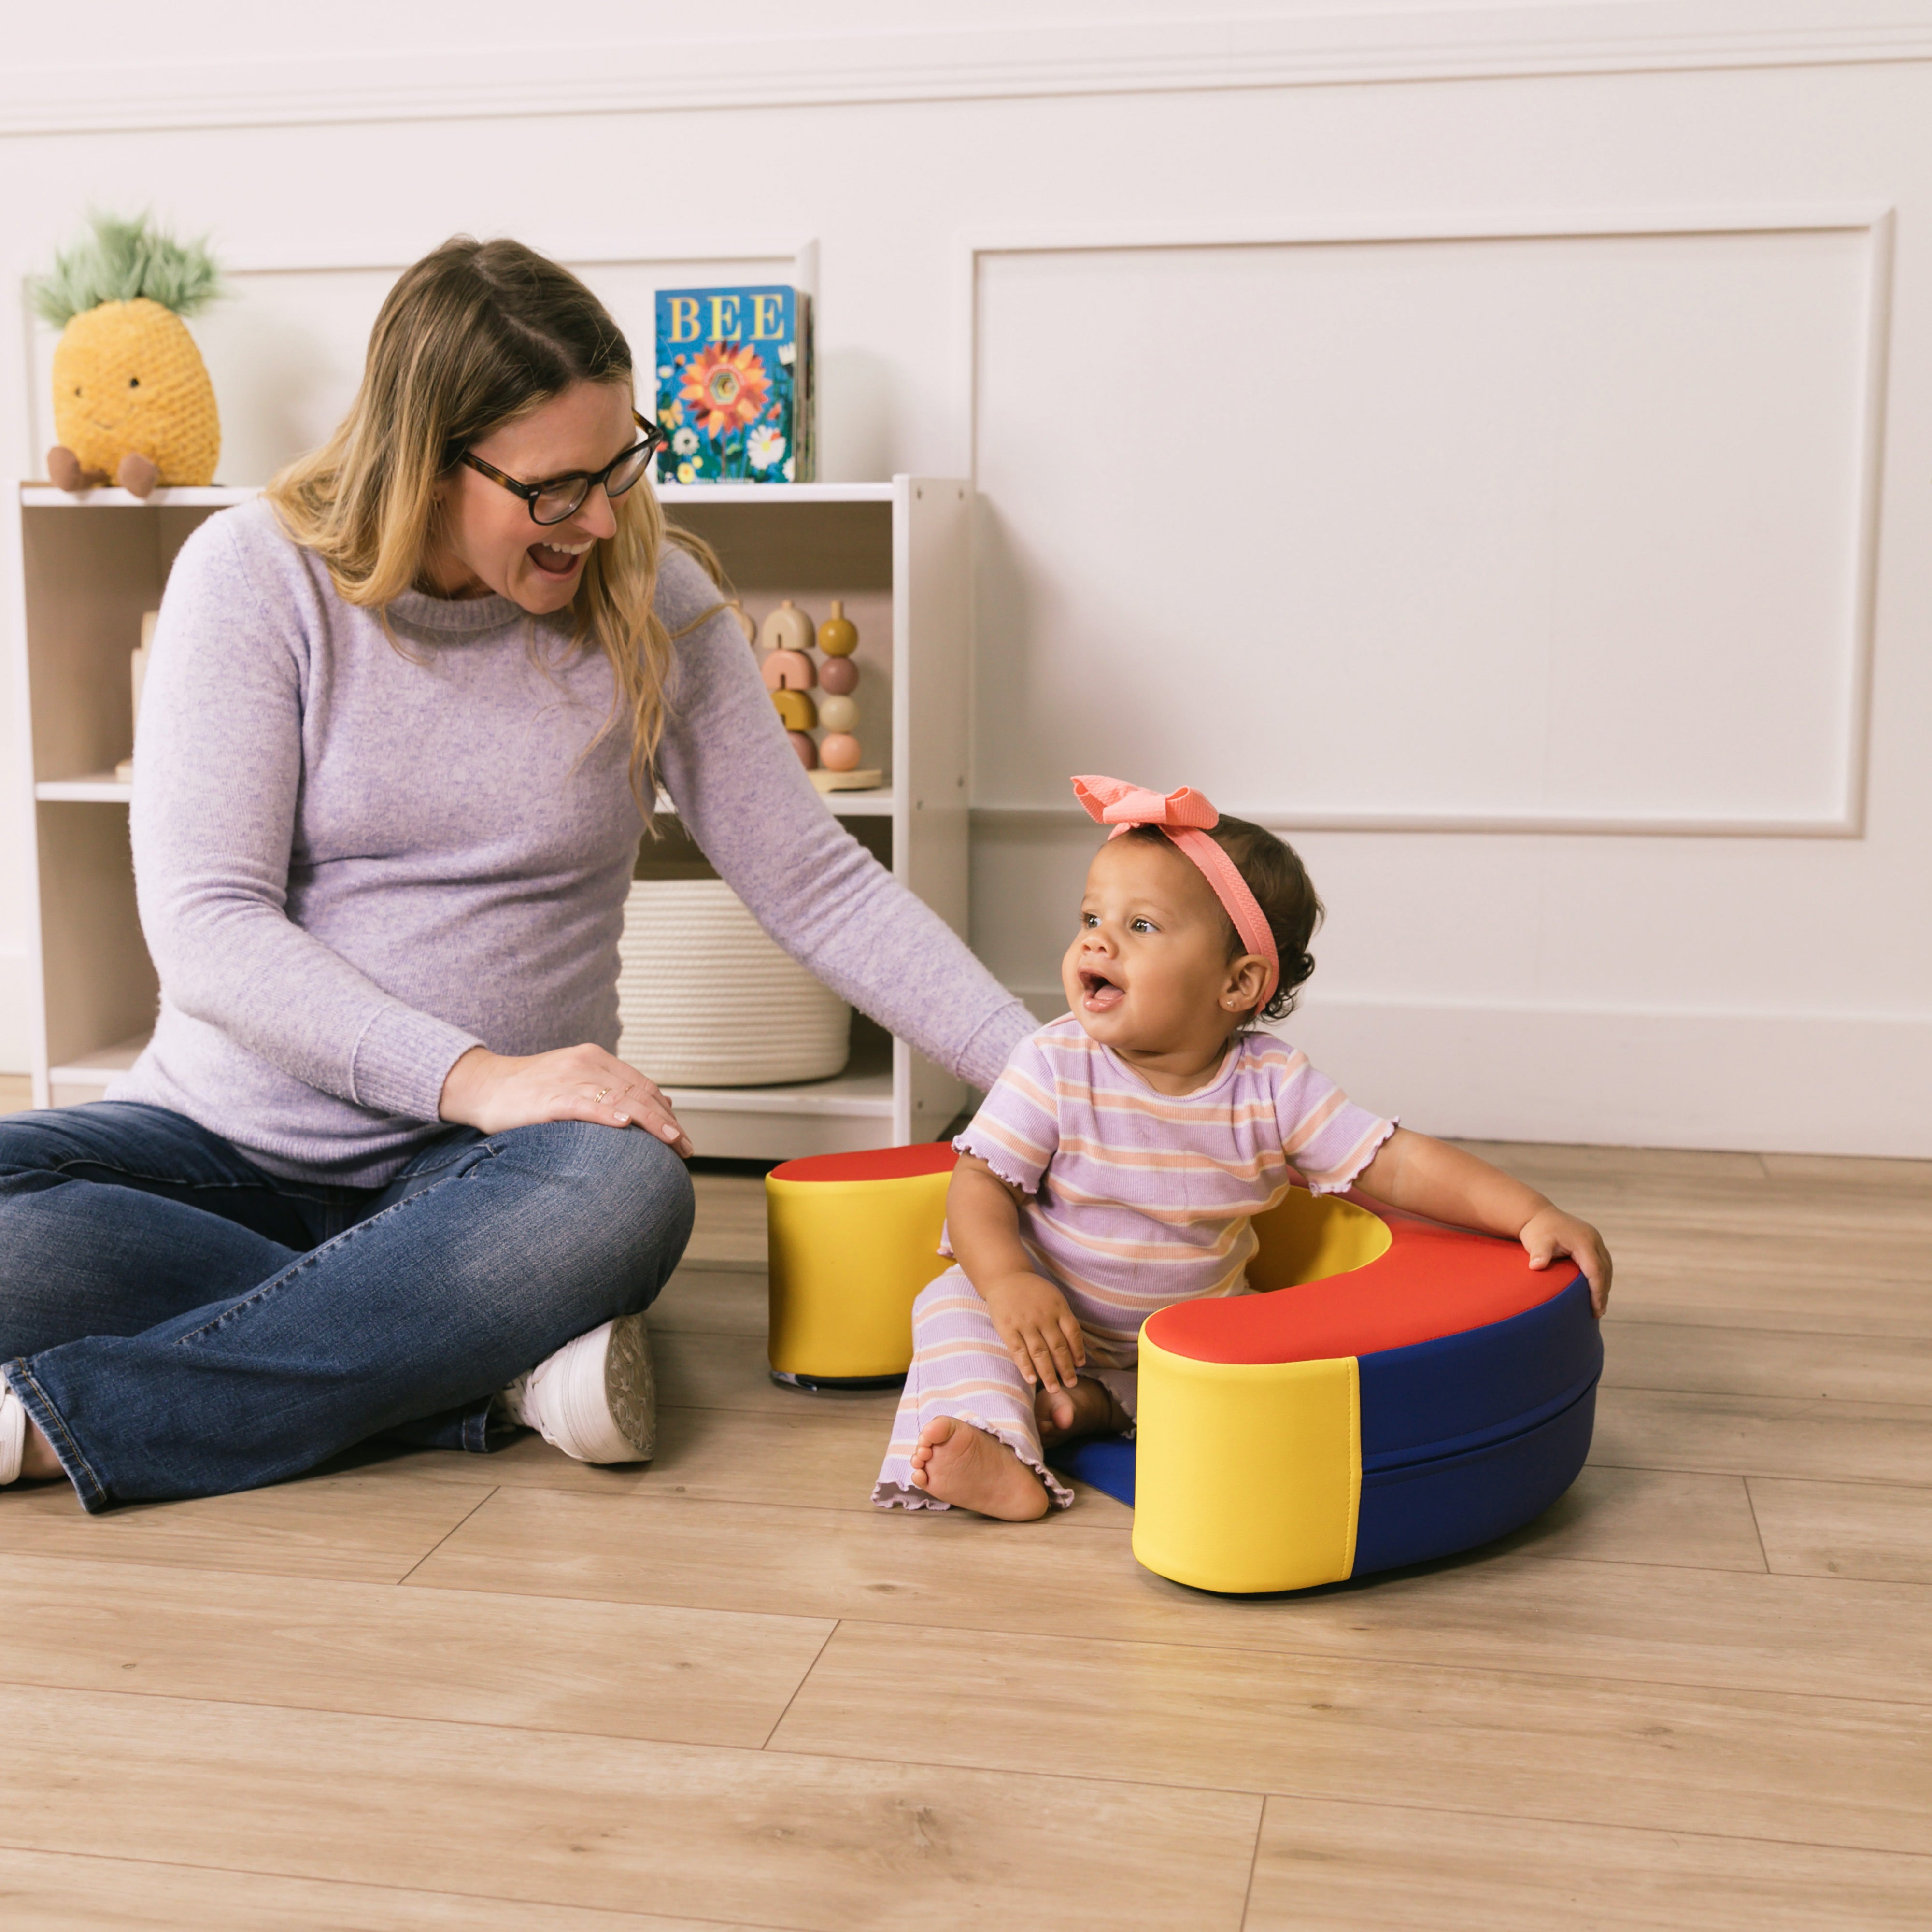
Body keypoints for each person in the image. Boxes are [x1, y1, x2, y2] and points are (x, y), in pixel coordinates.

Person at [0, 237, 1034, 1511]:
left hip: (503, 1185)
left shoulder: (657, 598)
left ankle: (72, 1422)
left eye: (618, 467)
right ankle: (478, 1377)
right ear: (426, 461)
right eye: (557, 488)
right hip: (225, 1155)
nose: (599, 518)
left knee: (625, 1193)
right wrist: (477, 1077)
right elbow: (208, 929)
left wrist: (1050, 1077)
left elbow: (817, 882)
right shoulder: (255, 575)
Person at [875, 773, 1612, 1520]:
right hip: (1040, 1312)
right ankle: (992, 1441)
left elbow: (1398, 1160)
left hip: (1183, 1335)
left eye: (1142, 926)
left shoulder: (1271, 1086)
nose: (1095, 939)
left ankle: (1082, 1410)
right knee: (952, 1307)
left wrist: (1529, 1212)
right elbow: (979, 1186)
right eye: (1092, 916)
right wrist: (1007, 1282)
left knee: (1236, 1384)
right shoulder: (1054, 1063)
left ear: (1238, 984)